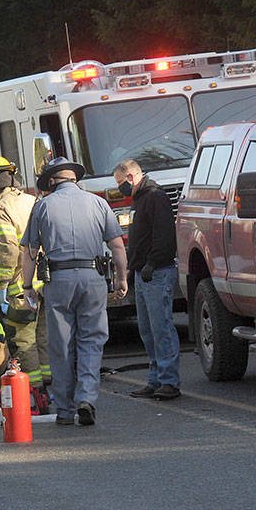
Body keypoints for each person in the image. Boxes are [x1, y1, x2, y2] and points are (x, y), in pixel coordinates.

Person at [20, 157, 128, 426]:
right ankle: (87, 398)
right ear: (74, 178)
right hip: (93, 278)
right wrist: (122, 278)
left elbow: (30, 252)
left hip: (59, 281)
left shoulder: (42, 206)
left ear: (52, 181)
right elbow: (117, 245)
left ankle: (65, 410)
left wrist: (27, 286)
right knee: (91, 340)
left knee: (61, 345)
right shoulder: (98, 203)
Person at [0, 155, 49, 389]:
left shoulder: (0, 208)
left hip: (21, 286)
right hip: (44, 280)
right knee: (44, 336)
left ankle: (35, 390)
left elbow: (8, 251)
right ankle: (51, 382)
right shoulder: (32, 200)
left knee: (24, 340)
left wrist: (2, 286)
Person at [112, 159, 181, 400]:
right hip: (143, 273)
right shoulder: (139, 199)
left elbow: (165, 235)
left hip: (157, 273)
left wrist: (153, 262)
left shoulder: (155, 197)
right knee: (148, 330)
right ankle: (156, 380)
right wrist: (135, 269)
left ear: (131, 177)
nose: (119, 187)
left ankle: (169, 381)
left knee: (161, 328)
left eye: (120, 182)